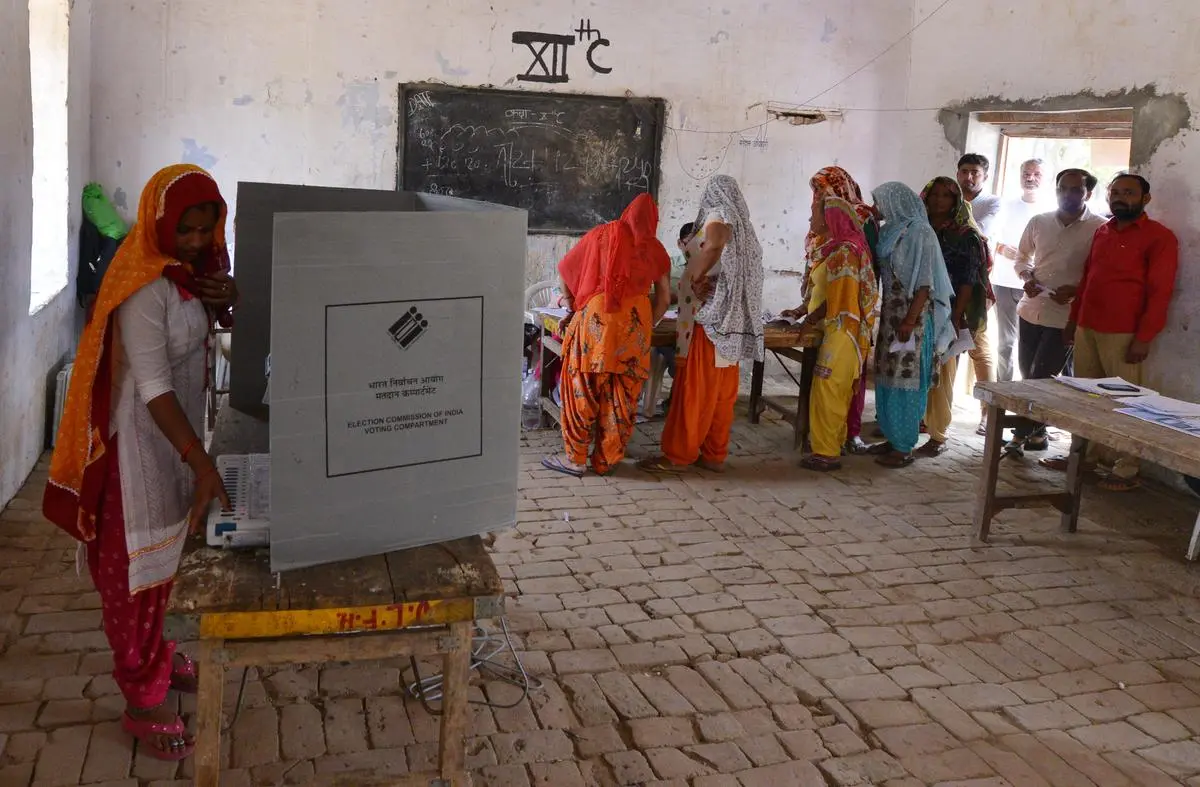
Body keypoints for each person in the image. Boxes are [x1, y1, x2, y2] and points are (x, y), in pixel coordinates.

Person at [42, 164, 239, 760]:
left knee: (166, 564)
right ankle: (141, 700)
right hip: (134, 448)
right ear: (159, 222)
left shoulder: (194, 277)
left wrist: (229, 299)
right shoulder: (142, 286)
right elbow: (153, 386)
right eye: (186, 229)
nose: (197, 242)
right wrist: (202, 460)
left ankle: (158, 655)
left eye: (207, 229)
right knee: (133, 577)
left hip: (174, 444)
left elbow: (211, 332)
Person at [1059, 173, 1179, 490]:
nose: (1120, 198)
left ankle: (1127, 468)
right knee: (1086, 397)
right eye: (1115, 192)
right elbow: (1088, 281)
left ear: (1145, 199)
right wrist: (1073, 320)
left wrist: (1144, 337)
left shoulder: (1159, 237)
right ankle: (1084, 458)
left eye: (1129, 193)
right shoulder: (1103, 231)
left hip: (1125, 333)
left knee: (1127, 402)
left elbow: (1160, 291)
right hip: (1088, 326)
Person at [639, 175, 764, 473]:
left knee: (695, 391)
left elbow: (714, 244)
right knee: (721, 394)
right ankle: (713, 454)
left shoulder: (720, 216)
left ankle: (678, 455)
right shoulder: (746, 229)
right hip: (731, 326)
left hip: (710, 322)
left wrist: (692, 276)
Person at [542, 193, 671, 477]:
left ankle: (575, 460)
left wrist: (573, 305)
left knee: (582, 387)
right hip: (633, 329)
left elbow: (565, 270)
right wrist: (646, 326)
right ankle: (606, 460)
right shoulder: (655, 249)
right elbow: (663, 298)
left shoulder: (602, 234)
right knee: (622, 397)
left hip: (596, 322)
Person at [1003, 168, 1106, 453]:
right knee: (1028, 373)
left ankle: (1019, 435)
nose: (1068, 194)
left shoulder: (1099, 228)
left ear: (1088, 193)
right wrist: (1027, 278)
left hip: (1066, 315)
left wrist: (1076, 290)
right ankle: (1037, 435)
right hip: (1031, 308)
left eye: (1076, 189)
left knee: (1042, 375)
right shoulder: (1039, 221)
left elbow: (1100, 271)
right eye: (1063, 188)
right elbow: (1022, 257)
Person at [782, 165, 879, 457]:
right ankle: (830, 446)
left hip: (842, 332)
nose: (812, 213)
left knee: (829, 392)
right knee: (830, 391)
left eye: (817, 210)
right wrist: (802, 310)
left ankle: (826, 455)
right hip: (836, 329)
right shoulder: (837, 248)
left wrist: (810, 318)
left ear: (830, 217)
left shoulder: (845, 251)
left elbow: (841, 298)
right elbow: (823, 288)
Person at [867, 182, 956, 468]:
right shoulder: (891, 229)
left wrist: (909, 319)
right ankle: (893, 438)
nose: (877, 208)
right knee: (886, 378)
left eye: (880, 202)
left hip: (912, 319)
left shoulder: (921, 232)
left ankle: (904, 447)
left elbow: (925, 284)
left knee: (906, 382)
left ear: (896, 202)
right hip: (891, 316)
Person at [918, 176, 993, 456]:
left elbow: (968, 281)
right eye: (934, 194)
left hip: (947, 311)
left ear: (956, 201)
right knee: (919, 370)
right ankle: (917, 423)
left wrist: (954, 316)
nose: (939, 200)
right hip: (916, 309)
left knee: (942, 373)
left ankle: (938, 435)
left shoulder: (965, 236)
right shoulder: (920, 229)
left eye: (946, 196)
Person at [990, 159, 1051, 382]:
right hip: (1004, 282)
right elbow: (988, 238)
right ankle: (1002, 395)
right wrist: (1002, 248)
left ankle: (1029, 396)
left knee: (1031, 344)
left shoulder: (1051, 210)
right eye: (1026, 173)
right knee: (1004, 343)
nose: (1030, 177)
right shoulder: (1005, 205)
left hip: (1037, 286)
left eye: (1036, 174)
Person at [955, 153, 1000, 432]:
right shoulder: (948, 198)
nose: (968, 177)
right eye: (964, 171)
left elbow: (978, 233)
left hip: (976, 285)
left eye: (974, 172)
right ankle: (933, 412)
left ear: (984, 175)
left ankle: (987, 414)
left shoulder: (991, 203)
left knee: (979, 350)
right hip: (948, 282)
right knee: (946, 350)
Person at [652, 222, 695, 413]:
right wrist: (676, 297)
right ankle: (679, 402)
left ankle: (686, 400)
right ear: (680, 243)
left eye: (700, 243)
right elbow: (655, 298)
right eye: (689, 243)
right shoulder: (668, 265)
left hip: (695, 326)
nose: (695, 248)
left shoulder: (710, 267)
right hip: (668, 326)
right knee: (678, 357)